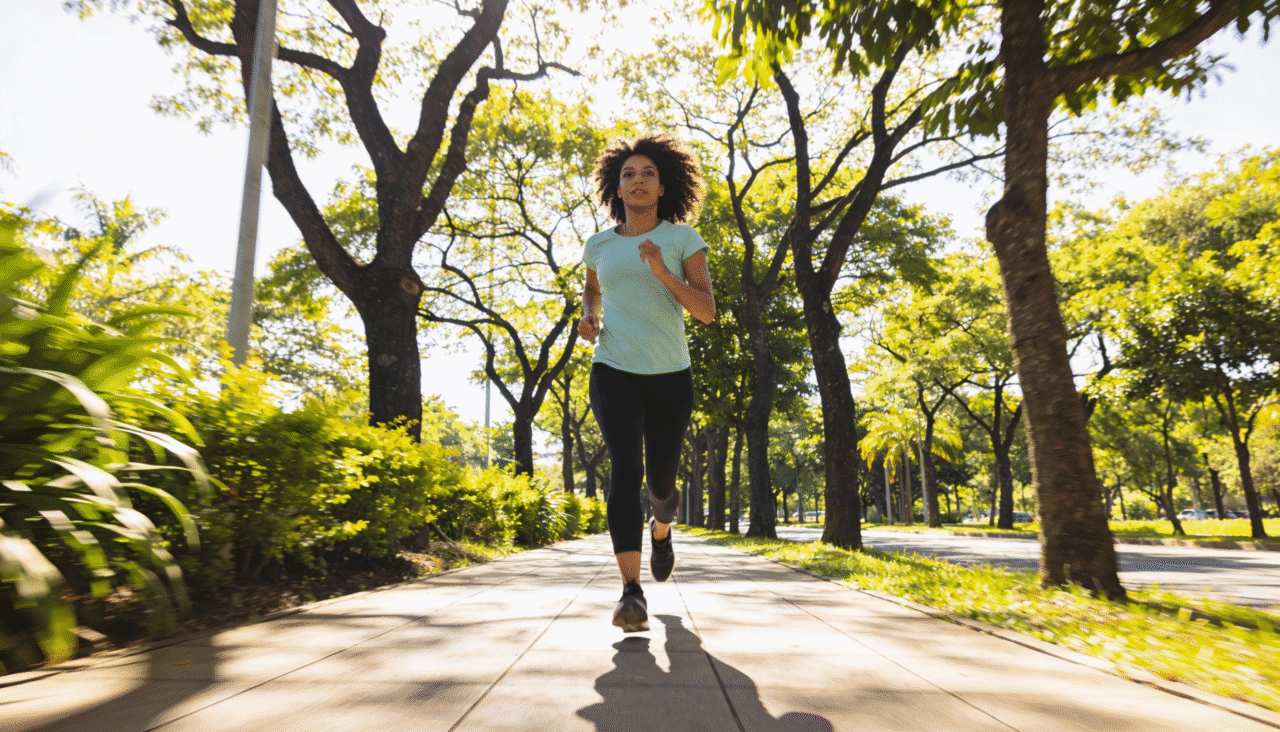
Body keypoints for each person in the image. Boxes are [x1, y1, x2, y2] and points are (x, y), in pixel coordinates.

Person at [579, 133, 716, 632]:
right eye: (628, 175)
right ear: (616, 188)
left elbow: (706, 312)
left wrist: (662, 271)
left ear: (663, 187)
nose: (638, 181)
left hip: (669, 376)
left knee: (661, 480)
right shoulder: (598, 245)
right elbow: (593, 292)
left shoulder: (683, 239)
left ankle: (663, 528)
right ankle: (630, 592)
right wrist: (588, 317)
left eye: (648, 175)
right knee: (624, 469)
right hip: (612, 368)